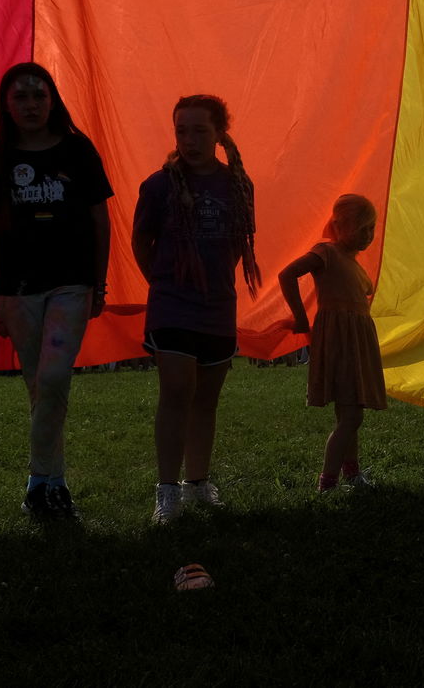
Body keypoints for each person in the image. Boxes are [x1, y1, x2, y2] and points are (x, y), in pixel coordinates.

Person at [0, 63, 112, 520]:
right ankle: (55, 485)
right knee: (39, 387)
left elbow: (99, 220)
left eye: (39, 95)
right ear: (6, 105)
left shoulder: (78, 150)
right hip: (17, 288)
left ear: (52, 100)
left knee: (53, 379)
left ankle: (37, 481)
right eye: (21, 97)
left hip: (71, 282)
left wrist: (99, 281)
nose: (31, 105)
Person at [132, 95, 260, 524]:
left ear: (221, 133)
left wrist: (213, 282)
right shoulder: (157, 186)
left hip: (217, 308)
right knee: (176, 391)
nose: (189, 139)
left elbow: (240, 247)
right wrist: (165, 284)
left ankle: (198, 484)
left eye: (200, 130)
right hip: (172, 306)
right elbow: (140, 243)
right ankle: (166, 492)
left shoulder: (240, 185)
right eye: (181, 131)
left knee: (206, 400)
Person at [277, 194, 387, 492]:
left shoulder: (355, 264)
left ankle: (352, 473)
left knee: (349, 412)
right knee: (352, 415)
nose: (368, 235)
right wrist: (301, 318)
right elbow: (287, 274)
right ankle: (328, 482)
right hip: (340, 340)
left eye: (371, 229)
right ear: (340, 225)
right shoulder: (327, 252)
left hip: (356, 340)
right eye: (362, 228)